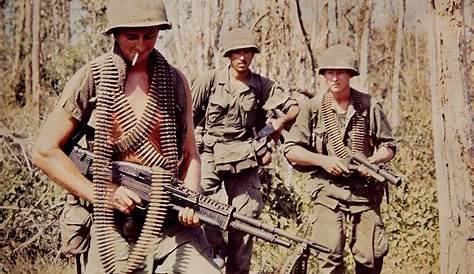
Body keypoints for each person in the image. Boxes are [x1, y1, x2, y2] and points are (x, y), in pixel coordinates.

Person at [32, 0, 221, 273]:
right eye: (131, 36)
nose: (141, 45)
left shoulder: (175, 81)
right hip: (113, 221)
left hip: (167, 218)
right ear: (115, 33)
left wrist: (190, 198)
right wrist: (102, 194)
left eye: (150, 35)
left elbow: (191, 155)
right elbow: (44, 151)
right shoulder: (93, 78)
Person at [191, 27, 300, 274]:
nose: (243, 57)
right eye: (237, 52)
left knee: (246, 220)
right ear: (228, 54)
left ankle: (238, 270)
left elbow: (293, 106)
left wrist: (277, 124)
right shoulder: (209, 80)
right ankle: (215, 253)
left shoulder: (261, 85)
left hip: (245, 156)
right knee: (202, 205)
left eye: (248, 52)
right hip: (209, 153)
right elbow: (187, 116)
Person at [284, 44, 397, 274]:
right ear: (324, 75)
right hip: (328, 190)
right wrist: (322, 161)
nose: (334, 77)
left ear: (351, 74)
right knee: (329, 256)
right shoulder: (314, 107)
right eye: (330, 72)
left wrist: (372, 162)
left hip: (364, 191)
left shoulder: (368, 105)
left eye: (340, 72)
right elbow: (291, 149)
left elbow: (389, 146)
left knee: (370, 259)